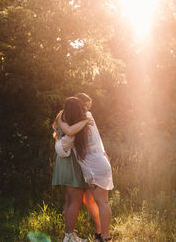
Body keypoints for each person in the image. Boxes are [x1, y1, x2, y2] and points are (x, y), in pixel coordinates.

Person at [58, 95, 113, 242]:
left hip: (95, 167)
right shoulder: (84, 120)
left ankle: (105, 237)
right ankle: (101, 233)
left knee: (102, 202)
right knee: (96, 201)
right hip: (96, 166)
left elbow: (65, 139)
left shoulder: (81, 124)